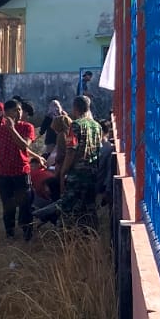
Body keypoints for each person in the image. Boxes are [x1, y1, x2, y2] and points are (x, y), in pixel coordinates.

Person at [0, 100, 38, 239]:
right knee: (8, 206)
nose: (19, 112)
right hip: (4, 174)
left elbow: (24, 146)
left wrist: (12, 129)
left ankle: (27, 234)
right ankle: (9, 233)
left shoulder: (27, 127)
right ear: (7, 113)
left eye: (20, 110)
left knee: (25, 205)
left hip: (21, 172)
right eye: (15, 110)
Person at [57, 93, 104, 222]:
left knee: (69, 208)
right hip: (93, 172)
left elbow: (71, 150)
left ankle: (69, 235)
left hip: (77, 174)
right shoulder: (97, 126)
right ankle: (90, 234)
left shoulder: (75, 125)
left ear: (75, 108)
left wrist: (63, 171)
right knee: (89, 207)